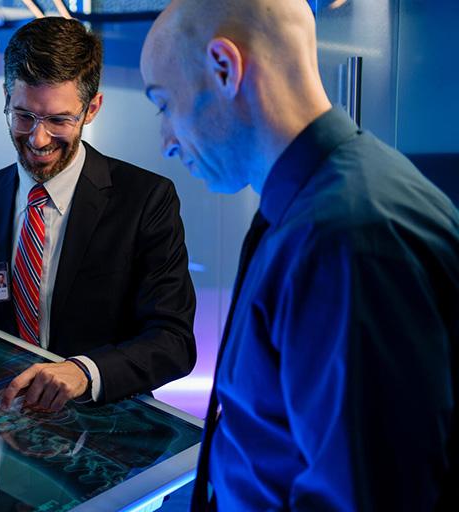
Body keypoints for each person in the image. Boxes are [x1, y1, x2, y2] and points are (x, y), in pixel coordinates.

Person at [140, 0, 459, 509]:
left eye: (164, 103)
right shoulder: (312, 208)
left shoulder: (346, 238)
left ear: (224, 68)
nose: (166, 141)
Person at [0, 17, 197, 412]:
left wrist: (83, 372)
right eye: (23, 116)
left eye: (59, 120)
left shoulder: (145, 199)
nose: (38, 139)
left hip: (103, 438)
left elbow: (173, 341)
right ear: (6, 97)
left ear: (92, 108)